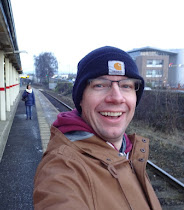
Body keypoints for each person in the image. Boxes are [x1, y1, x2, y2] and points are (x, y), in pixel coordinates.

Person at [33, 46, 162, 210]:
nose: (116, 98)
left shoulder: (130, 152)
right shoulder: (62, 168)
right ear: (81, 98)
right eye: (100, 85)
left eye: (126, 86)